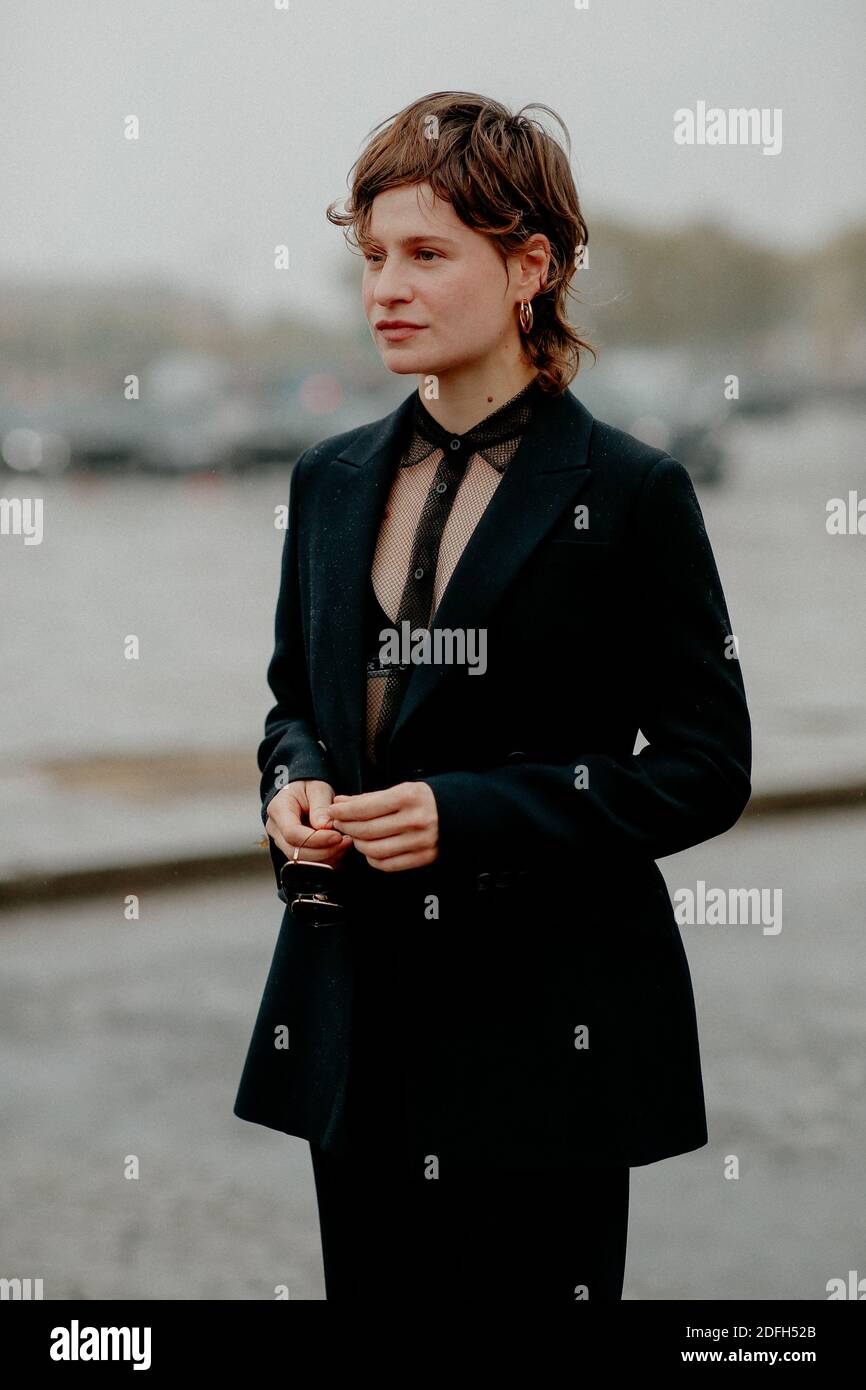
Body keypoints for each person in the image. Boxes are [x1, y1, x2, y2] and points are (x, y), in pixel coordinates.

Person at [232, 91, 752, 1302]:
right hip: (353, 1022)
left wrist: (469, 813)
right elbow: (288, 703)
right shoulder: (325, 479)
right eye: (371, 257)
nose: (384, 289)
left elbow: (702, 766)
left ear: (529, 266)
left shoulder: (631, 492)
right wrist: (292, 783)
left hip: (546, 1037)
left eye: (425, 254)